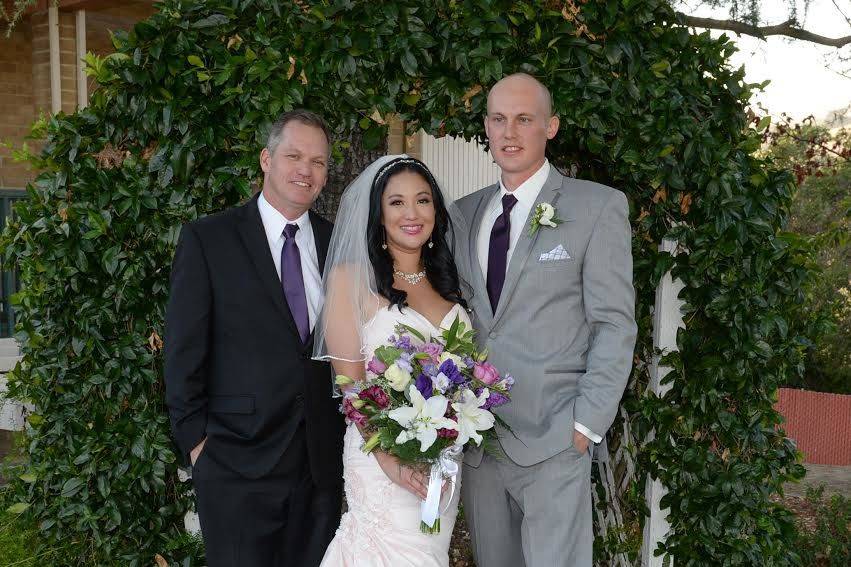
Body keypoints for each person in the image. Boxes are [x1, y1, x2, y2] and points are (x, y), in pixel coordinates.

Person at [456, 73, 638, 567]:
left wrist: (586, 422)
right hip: (479, 442)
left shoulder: (596, 206)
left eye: (524, 119)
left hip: (556, 438)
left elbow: (615, 323)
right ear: (487, 128)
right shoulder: (462, 214)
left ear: (551, 127)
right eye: (498, 119)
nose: (509, 131)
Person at [164, 109, 345, 567]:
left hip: (320, 466)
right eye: (294, 156)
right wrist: (197, 445)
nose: (306, 170)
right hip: (234, 463)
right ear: (266, 159)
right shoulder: (209, 239)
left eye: (319, 162)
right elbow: (184, 350)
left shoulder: (338, 244)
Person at [313, 155, 470, 567]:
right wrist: (390, 461)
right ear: (379, 214)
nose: (412, 213)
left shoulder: (450, 282)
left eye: (422, 200)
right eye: (397, 202)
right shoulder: (351, 279)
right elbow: (352, 385)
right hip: (380, 459)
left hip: (443, 463)